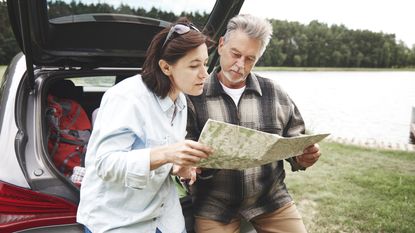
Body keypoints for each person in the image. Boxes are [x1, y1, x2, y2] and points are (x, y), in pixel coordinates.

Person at [186, 14, 321, 233]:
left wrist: (304, 156)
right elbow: (182, 146)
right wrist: (191, 163)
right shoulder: (194, 94)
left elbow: (296, 140)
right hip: (214, 205)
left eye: (250, 58)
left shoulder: (275, 92)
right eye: (235, 54)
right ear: (221, 45)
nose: (240, 65)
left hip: (270, 199)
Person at [77, 19, 213, 233]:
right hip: (117, 222)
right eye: (194, 66)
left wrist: (181, 167)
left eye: (205, 63)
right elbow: (105, 164)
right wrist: (168, 153)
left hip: (165, 219)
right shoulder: (126, 98)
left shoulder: (181, 100)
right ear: (165, 67)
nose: (204, 74)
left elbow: (164, 160)